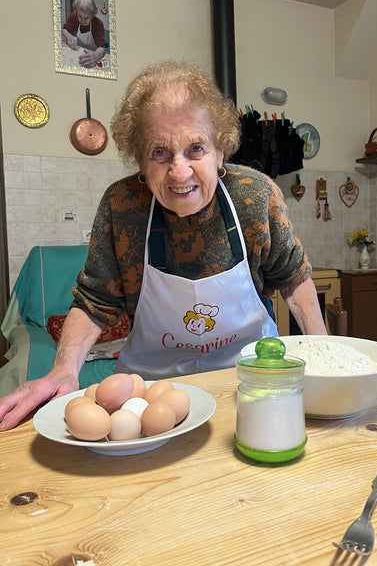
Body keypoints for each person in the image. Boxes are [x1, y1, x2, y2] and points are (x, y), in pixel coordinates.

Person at [0, 60, 326, 431]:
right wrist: (62, 372)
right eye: (160, 153)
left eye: (196, 149)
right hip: (149, 394)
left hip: (251, 386)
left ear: (221, 151)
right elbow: (95, 302)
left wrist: (324, 354)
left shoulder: (254, 196)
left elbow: (292, 276)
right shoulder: (122, 206)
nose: (179, 171)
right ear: (139, 158)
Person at [62, 0, 106, 69]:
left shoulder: (98, 24)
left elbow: (101, 47)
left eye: (86, 18)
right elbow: (64, 30)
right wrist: (69, 36)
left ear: (92, 15)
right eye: (80, 17)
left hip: (91, 54)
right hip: (77, 51)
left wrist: (96, 56)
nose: (82, 21)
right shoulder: (74, 16)